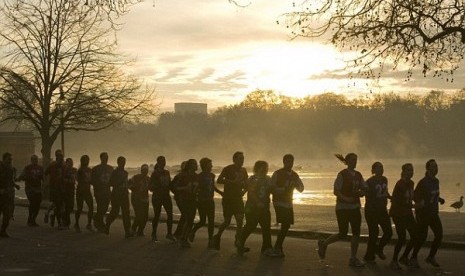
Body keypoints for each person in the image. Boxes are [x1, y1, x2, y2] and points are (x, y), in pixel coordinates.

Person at [318, 153, 366, 267]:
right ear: (347, 161)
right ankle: (324, 243)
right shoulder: (342, 174)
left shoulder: (358, 175)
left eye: (356, 160)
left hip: (355, 207)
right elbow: (336, 191)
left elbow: (364, 187)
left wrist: (363, 192)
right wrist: (345, 198)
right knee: (343, 233)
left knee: (356, 232)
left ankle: (353, 258)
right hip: (342, 208)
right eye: (353, 160)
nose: (355, 162)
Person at [411, 159, 444, 267]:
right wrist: (420, 202)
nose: (436, 168)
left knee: (439, 234)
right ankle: (413, 258)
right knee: (422, 237)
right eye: (433, 166)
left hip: (434, 213)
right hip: (423, 213)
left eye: (436, 166)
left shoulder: (436, 181)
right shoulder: (423, 182)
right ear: (428, 169)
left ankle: (430, 257)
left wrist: (439, 199)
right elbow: (415, 195)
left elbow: (432, 195)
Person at [212, 152, 248, 251]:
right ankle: (217, 236)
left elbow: (246, 183)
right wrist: (232, 182)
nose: (242, 161)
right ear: (234, 159)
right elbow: (219, 180)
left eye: (243, 159)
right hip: (228, 198)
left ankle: (238, 241)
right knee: (227, 222)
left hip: (238, 198)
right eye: (240, 158)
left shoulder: (244, 170)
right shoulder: (228, 169)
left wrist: (244, 191)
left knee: (240, 220)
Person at [270, 154, 304, 257]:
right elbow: (271, 188)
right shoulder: (277, 173)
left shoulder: (294, 175)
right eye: (288, 162)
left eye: (291, 162)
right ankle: (277, 247)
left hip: (288, 202)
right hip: (279, 202)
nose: (290, 164)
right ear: (284, 162)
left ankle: (278, 247)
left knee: (286, 225)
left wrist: (296, 185)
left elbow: (301, 189)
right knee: (285, 223)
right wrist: (283, 189)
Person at [237, 160, 273, 256]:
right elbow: (251, 192)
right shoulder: (252, 179)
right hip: (253, 207)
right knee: (251, 225)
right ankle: (240, 242)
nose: (265, 169)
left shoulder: (268, 179)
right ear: (257, 168)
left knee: (266, 227)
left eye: (266, 167)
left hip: (264, 206)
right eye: (263, 167)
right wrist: (258, 202)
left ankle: (266, 247)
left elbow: (272, 190)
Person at [389, 163, 417, 270]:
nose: (411, 172)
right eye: (408, 170)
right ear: (404, 172)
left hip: (408, 213)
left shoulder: (411, 183)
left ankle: (404, 257)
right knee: (402, 238)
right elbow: (400, 202)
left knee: (415, 235)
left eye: (412, 170)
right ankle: (394, 260)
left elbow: (412, 195)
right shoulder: (399, 184)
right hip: (398, 214)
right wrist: (415, 205)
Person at [363, 162, 392, 264]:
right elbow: (365, 194)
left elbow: (385, 192)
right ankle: (368, 256)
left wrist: (391, 197)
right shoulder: (369, 182)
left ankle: (378, 249)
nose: (381, 170)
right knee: (374, 233)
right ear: (374, 170)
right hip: (371, 210)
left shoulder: (385, 179)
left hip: (382, 210)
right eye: (378, 168)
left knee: (389, 232)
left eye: (382, 167)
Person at [189, 157, 218, 248]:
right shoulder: (199, 176)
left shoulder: (212, 175)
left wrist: (221, 192)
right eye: (210, 164)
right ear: (205, 166)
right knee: (202, 221)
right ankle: (192, 231)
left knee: (211, 221)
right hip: (202, 201)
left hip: (210, 200)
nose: (212, 166)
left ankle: (210, 241)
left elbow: (213, 187)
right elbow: (196, 188)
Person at [104, 156, 132, 238]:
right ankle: (107, 224)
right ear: (118, 163)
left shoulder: (126, 173)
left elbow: (125, 184)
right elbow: (111, 183)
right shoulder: (115, 172)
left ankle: (127, 231)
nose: (123, 163)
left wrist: (128, 184)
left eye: (124, 162)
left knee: (126, 213)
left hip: (124, 194)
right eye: (122, 162)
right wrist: (120, 182)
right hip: (116, 194)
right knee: (115, 212)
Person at [174, 159, 199, 248]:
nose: (197, 165)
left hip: (193, 200)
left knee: (191, 220)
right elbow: (175, 187)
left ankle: (184, 237)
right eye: (195, 164)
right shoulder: (183, 176)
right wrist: (185, 188)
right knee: (187, 218)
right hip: (184, 199)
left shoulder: (197, 176)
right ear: (190, 166)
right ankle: (182, 238)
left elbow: (198, 188)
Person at [149, 156, 175, 242]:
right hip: (157, 197)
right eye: (162, 161)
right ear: (158, 162)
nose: (164, 163)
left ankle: (169, 233)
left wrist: (176, 191)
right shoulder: (155, 173)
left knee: (170, 214)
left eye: (164, 161)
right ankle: (154, 234)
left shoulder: (167, 172)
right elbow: (150, 187)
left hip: (166, 196)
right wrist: (158, 187)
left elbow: (170, 184)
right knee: (157, 215)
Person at [18, 154, 44, 227]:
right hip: (30, 188)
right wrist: (22, 178)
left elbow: (43, 178)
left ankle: (33, 219)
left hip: (38, 188)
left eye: (36, 159)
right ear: (31, 160)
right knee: (33, 203)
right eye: (33, 159)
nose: (35, 161)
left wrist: (46, 185)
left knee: (38, 204)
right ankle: (30, 219)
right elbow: (22, 176)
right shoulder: (27, 168)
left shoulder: (40, 168)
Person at [91, 152, 113, 232]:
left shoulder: (110, 168)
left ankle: (97, 218)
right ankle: (99, 223)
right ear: (101, 158)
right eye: (104, 157)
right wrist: (97, 186)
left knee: (105, 207)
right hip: (99, 191)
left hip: (107, 191)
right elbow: (92, 181)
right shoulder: (96, 169)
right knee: (101, 207)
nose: (106, 159)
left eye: (107, 157)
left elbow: (113, 180)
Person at [45, 150, 66, 229]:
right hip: (54, 188)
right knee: (58, 205)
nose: (60, 160)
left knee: (58, 204)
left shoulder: (64, 166)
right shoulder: (52, 165)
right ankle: (59, 222)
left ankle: (50, 214)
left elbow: (65, 176)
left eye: (61, 158)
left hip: (61, 188)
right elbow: (46, 173)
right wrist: (47, 183)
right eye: (59, 158)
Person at [0, 152, 19, 237]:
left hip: (7, 195)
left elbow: (11, 180)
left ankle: (3, 231)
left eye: (11, 160)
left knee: (7, 214)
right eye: (9, 159)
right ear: (4, 159)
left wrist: (15, 185)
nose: (10, 161)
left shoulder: (11, 169)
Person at [74, 155, 94, 233]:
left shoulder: (89, 170)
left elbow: (91, 180)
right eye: (86, 160)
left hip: (87, 190)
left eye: (88, 160)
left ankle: (89, 224)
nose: (87, 161)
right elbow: (78, 180)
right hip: (80, 191)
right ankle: (76, 223)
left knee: (91, 207)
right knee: (80, 208)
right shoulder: (80, 170)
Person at [129, 164, 150, 236]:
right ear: (141, 170)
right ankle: (133, 229)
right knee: (139, 215)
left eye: (146, 170)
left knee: (145, 216)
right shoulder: (136, 177)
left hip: (145, 199)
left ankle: (140, 231)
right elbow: (129, 185)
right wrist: (135, 188)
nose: (145, 172)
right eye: (144, 170)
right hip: (136, 199)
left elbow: (151, 187)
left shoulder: (148, 178)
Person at [63, 158, 77, 228]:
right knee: (67, 206)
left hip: (72, 190)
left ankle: (65, 221)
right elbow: (63, 179)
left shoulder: (75, 170)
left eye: (71, 162)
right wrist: (69, 181)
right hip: (66, 190)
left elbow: (77, 178)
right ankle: (66, 222)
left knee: (71, 206)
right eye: (69, 162)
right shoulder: (65, 170)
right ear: (66, 163)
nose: (71, 163)